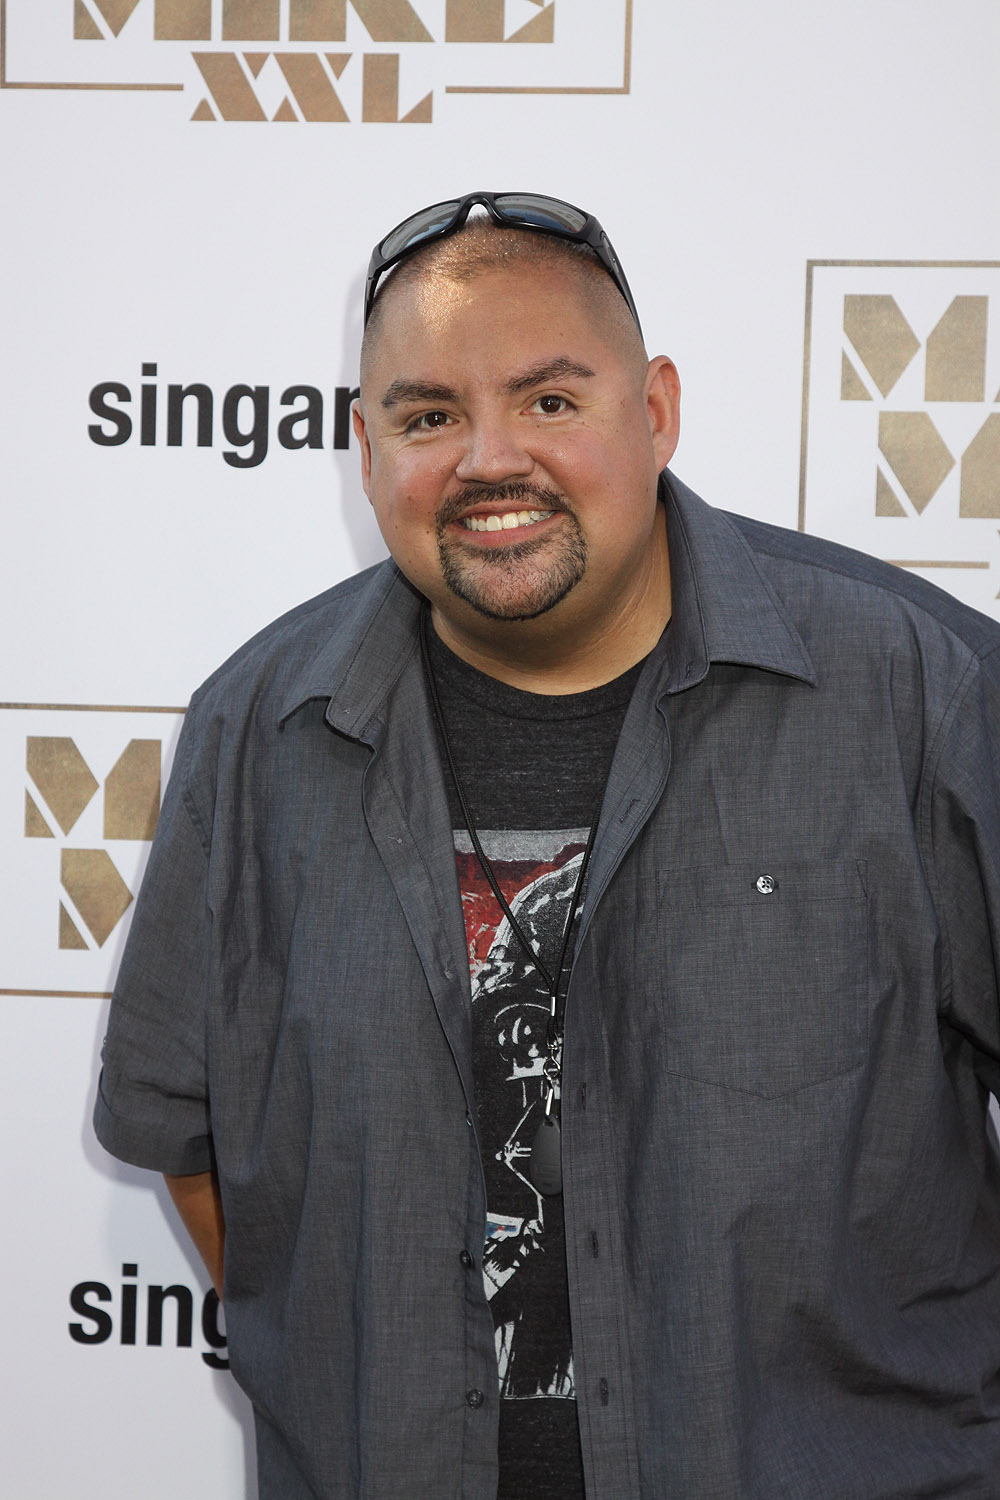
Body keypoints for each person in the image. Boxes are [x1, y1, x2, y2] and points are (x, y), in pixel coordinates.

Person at [94, 191, 1000, 1499]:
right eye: (427, 417)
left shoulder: (924, 693)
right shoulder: (258, 729)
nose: (489, 460)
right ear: (363, 449)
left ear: (658, 411)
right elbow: (194, 1147)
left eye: (551, 400)